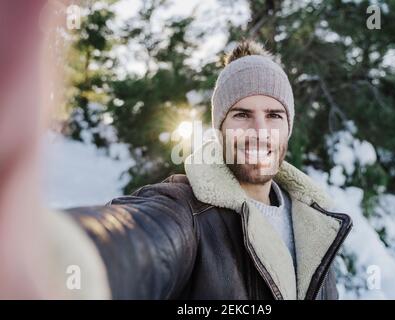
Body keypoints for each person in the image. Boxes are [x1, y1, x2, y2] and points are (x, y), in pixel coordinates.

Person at [0, 1, 352, 298]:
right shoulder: (187, 209)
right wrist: (50, 254)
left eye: (274, 115)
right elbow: (138, 239)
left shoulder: (315, 223)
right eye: (242, 115)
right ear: (220, 128)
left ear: (287, 127)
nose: (260, 132)